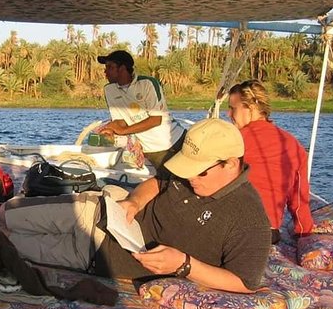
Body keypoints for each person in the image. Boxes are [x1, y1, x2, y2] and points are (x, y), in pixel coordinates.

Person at [94, 118, 272, 293]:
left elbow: (246, 282)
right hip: (108, 212)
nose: (190, 177)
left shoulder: (249, 219)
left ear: (231, 164)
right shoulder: (192, 174)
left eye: (200, 172)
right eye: (186, 168)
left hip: (97, 251)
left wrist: (185, 265)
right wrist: (135, 201)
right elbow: (159, 181)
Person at [228, 80, 313, 243]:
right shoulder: (294, 145)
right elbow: (299, 202)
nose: (229, 114)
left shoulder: (234, 140)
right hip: (268, 234)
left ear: (250, 108)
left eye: (233, 108)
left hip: (231, 231)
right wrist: (305, 238)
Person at [97, 50, 185, 177]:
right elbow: (121, 121)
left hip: (176, 139)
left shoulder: (147, 84)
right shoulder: (109, 90)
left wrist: (123, 131)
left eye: (110, 67)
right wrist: (110, 129)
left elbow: (156, 119)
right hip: (153, 150)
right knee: (171, 184)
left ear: (122, 69)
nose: (105, 72)